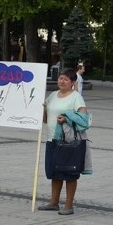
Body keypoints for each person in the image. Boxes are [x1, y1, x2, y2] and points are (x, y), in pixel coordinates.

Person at [38, 68, 88, 216]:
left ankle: (68, 204)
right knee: (55, 172)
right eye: (60, 78)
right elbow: (46, 119)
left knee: (69, 172)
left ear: (73, 82)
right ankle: (54, 202)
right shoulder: (53, 95)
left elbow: (84, 119)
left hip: (69, 142)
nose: (62, 81)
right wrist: (42, 110)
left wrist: (67, 119)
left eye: (66, 79)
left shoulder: (76, 97)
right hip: (52, 139)